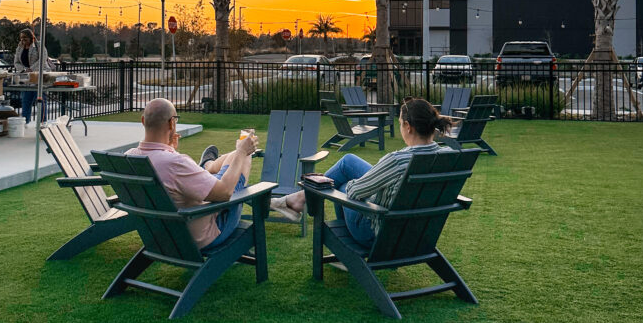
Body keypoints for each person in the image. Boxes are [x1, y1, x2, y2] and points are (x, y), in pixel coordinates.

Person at [269, 98, 454, 246]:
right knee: (348, 162)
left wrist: (354, 182)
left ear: (408, 126)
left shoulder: (397, 161)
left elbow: (354, 192)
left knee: (341, 184)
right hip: (418, 232)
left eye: (399, 124)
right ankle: (298, 198)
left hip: (376, 232)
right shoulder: (448, 157)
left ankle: (298, 201)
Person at [127, 98, 258, 249]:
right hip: (198, 237)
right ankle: (208, 166)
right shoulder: (175, 163)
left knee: (235, 157)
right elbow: (225, 193)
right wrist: (241, 152)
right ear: (172, 123)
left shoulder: (129, 156)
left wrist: (169, 149)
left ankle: (207, 166)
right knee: (244, 157)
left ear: (143, 121)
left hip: (160, 236)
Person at [13, 29, 49, 124]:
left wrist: (32, 69)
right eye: (21, 38)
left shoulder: (38, 45)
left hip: (39, 76)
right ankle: (25, 122)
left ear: (31, 37)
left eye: (25, 38)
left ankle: (42, 123)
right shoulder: (20, 47)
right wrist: (24, 69)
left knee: (41, 101)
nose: (23, 40)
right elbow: (16, 62)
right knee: (26, 101)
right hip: (26, 78)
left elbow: (43, 58)